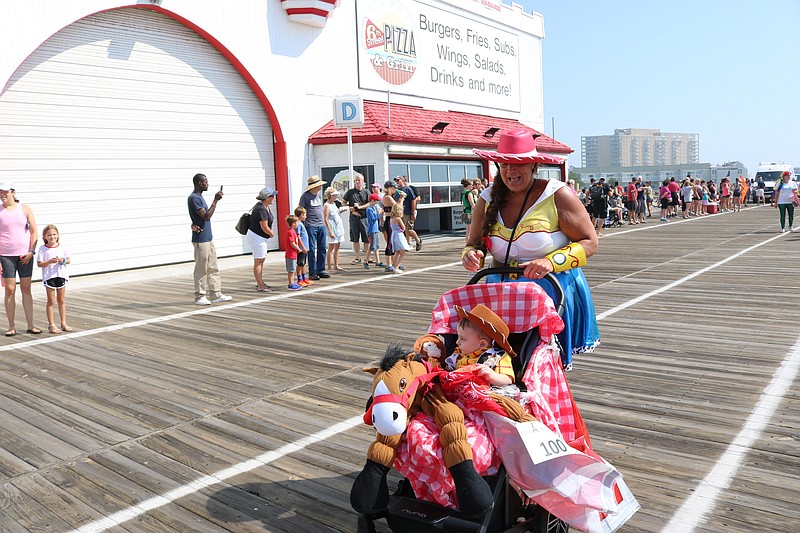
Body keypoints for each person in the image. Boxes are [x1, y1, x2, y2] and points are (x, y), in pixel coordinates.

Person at [463, 129, 600, 369]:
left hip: (549, 290)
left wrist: (550, 262)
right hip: (500, 292)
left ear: (534, 165)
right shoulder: (486, 199)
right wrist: (471, 255)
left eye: (518, 164)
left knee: (542, 363)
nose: (510, 171)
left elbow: (590, 242)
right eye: (504, 165)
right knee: (500, 362)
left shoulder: (557, 195)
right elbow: (473, 244)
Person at [0, 183, 42, 336]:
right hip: (5, 256)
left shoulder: (24, 208)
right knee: (10, 290)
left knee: (26, 289)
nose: (2, 194)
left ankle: (31, 325)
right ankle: (11, 326)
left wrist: (31, 251)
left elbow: (34, 231)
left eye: (5, 191)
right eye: (0, 192)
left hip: (25, 256)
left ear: (13, 192)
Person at [188, 173, 232, 305]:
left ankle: (215, 294)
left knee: (213, 267)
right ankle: (200, 296)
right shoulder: (194, 198)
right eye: (206, 182)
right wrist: (215, 201)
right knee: (201, 268)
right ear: (199, 183)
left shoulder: (200, 197)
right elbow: (206, 216)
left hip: (208, 237)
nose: (208, 184)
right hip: (201, 239)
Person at [448, 304, 515, 387]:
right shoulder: (459, 353)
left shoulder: (497, 357)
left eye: (462, 339)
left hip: (480, 392)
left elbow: (508, 380)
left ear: (482, 344)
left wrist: (491, 376)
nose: (457, 342)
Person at [35, 224, 72, 334]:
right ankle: (51, 325)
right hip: (49, 277)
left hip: (61, 275)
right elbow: (39, 264)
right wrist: (48, 262)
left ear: (57, 235)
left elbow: (69, 260)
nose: (52, 236)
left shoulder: (62, 247)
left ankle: (64, 323)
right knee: (51, 301)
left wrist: (62, 260)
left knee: (61, 300)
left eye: (54, 234)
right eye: (49, 235)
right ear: (45, 236)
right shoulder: (42, 249)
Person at [298, 175, 330, 281]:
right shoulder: (305, 197)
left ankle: (321, 269)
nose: (320, 187)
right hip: (310, 225)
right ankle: (312, 271)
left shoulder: (319, 195)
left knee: (322, 248)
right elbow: (300, 210)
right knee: (311, 249)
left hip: (321, 225)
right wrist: (300, 224)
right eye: (318, 185)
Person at [246, 187, 276, 292]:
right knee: (259, 261)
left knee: (261, 260)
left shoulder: (264, 207)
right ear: (267, 197)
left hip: (259, 237)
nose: (273, 198)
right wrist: (271, 233)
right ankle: (260, 285)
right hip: (257, 237)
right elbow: (264, 226)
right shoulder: (261, 209)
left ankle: (260, 282)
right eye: (272, 196)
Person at [343, 173, 370, 267]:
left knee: (366, 239)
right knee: (355, 238)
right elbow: (343, 202)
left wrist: (360, 207)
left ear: (363, 181)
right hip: (354, 218)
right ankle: (357, 257)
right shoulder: (350, 192)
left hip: (364, 217)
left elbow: (370, 203)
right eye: (356, 180)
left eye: (359, 180)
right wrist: (349, 208)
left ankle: (367, 257)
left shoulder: (366, 192)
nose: (358, 182)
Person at [393, 175, 422, 251]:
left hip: (407, 213)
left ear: (403, 181)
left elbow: (413, 200)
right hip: (399, 213)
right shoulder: (396, 191)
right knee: (400, 229)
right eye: (396, 181)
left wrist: (412, 213)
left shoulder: (407, 189)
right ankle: (404, 245)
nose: (397, 182)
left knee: (408, 230)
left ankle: (418, 240)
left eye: (398, 180)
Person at [323, 186, 348, 272]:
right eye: (334, 195)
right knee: (331, 247)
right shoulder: (327, 205)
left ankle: (336, 265)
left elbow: (336, 213)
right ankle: (329, 266)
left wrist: (343, 210)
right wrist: (330, 231)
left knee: (337, 246)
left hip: (338, 227)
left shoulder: (334, 204)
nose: (336, 196)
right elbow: (326, 218)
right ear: (330, 195)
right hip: (332, 227)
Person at [381, 181, 398, 272]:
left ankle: (394, 263)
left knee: (393, 242)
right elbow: (397, 207)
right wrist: (402, 198)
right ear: (389, 188)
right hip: (389, 221)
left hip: (391, 220)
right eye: (393, 188)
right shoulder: (387, 197)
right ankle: (389, 264)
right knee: (389, 242)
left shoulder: (389, 197)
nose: (395, 189)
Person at [389, 202, 411, 273]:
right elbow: (403, 227)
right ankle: (396, 266)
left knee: (397, 252)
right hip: (399, 235)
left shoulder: (391, 219)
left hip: (394, 234)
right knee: (403, 251)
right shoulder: (398, 219)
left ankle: (395, 266)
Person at [293, 206, 312, 287]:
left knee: (304, 263)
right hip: (301, 248)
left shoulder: (301, 224)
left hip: (305, 247)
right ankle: (299, 279)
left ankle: (304, 278)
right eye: (305, 215)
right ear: (301, 215)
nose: (306, 216)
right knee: (300, 263)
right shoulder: (298, 224)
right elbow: (298, 236)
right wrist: (302, 246)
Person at [284, 215, 303, 290]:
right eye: (296, 222)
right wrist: (298, 248)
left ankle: (292, 282)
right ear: (293, 223)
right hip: (290, 254)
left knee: (292, 269)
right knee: (291, 270)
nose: (297, 224)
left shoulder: (293, 232)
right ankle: (290, 284)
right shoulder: (290, 232)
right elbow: (292, 243)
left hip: (293, 254)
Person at [365, 192, 384, 267]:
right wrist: (379, 213)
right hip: (372, 230)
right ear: (372, 200)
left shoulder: (374, 208)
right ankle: (366, 260)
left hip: (375, 229)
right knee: (372, 246)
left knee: (376, 245)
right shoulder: (369, 209)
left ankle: (378, 261)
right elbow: (372, 219)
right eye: (376, 201)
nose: (377, 202)